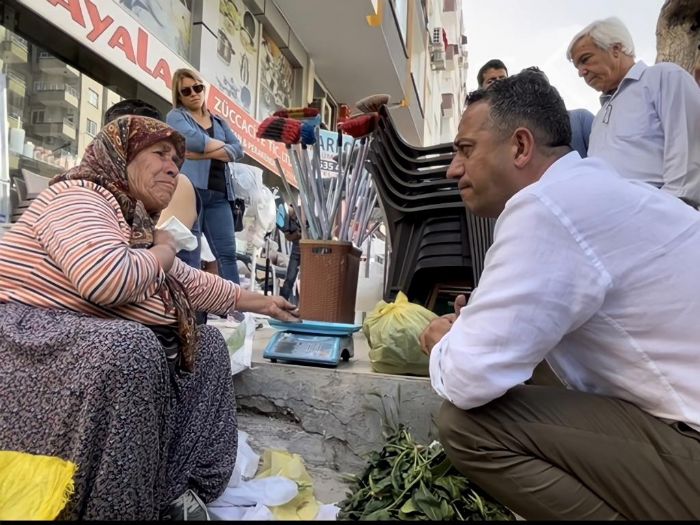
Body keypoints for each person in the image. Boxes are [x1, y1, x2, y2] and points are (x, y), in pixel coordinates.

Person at [419, 70, 700, 520]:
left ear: (520, 146)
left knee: (469, 426)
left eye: (465, 149)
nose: (454, 168)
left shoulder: (546, 206)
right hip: (679, 426)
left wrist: (443, 344)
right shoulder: (597, 189)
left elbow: (469, 378)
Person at [0, 115, 298, 520]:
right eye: (159, 154)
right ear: (119, 157)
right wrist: (165, 248)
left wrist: (261, 303)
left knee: (206, 345)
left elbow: (187, 283)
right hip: (26, 345)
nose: (173, 167)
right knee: (131, 345)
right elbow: (108, 280)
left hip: (72, 345)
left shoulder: (131, 222)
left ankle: (174, 490)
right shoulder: (79, 197)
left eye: (177, 159)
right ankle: (116, 508)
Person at [568, 16, 700, 206]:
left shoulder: (664, 78)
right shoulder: (598, 119)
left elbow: (688, 158)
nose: (581, 72)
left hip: (663, 220)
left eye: (585, 59)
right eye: (577, 66)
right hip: (613, 225)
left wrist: (670, 212)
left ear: (616, 49)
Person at [166, 68, 245, 284]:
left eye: (197, 87)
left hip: (220, 195)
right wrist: (220, 149)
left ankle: (233, 307)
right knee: (190, 252)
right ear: (179, 95)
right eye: (186, 90)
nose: (193, 93)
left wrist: (200, 156)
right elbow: (193, 142)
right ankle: (191, 308)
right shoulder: (175, 116)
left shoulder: (219, 122)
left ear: (203, 88)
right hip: (191, 193)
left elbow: (239, 150)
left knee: (227, 254)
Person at [280, 203, 301, 302]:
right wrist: (298, 234)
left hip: (309, 250)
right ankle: (282, 302)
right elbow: (288, 236)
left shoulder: (303, 211)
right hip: (296, 250)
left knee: (309, 279)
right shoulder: (285, 219)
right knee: (290, 278)